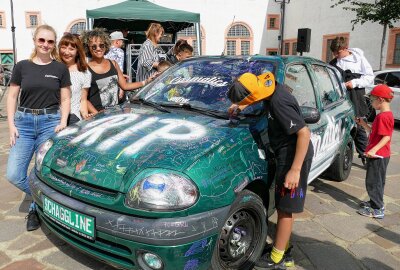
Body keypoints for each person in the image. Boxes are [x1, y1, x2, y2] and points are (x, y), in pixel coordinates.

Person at [228, 72, 313, 270]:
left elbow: (304, 133)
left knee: (285, 208)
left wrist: (295, 170)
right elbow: (257, 95)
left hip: (294, 156)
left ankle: (279, 258)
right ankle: (283, 247)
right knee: (283, 204)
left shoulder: (279, 103)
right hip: (285, 153)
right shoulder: (270, 87)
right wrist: (241, 105)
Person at [6, 24, 71, 231]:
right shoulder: (22, 66)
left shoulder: (60, 68)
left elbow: (66, 97)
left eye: (50, 41)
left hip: (49, 122)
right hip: (23, 123)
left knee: (43, 171)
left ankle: (35, 208)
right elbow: (12, 96)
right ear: (35, 40)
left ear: (54, 44)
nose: (45, 44)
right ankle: (47, 201)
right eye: (42, 40)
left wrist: (63, 122)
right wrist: (10, 125)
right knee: (14, 174)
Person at [81, 28, 151, 114]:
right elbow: (84, 99)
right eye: (94, 46)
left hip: (115, 114)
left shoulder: (113, 64)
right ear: (88, 48)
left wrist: (146, 82)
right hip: (97, 117)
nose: (98, 49)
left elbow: (125, 86)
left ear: (106, 45)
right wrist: (97, 115)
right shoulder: (86, 69)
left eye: (101, 45)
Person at [329, 37, 374, 166]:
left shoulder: (358, 60)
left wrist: (354, 82)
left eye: (338, 53)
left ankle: (366, 156)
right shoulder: (334, 63)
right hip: (340, 99)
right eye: (334, 53)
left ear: (345, 48)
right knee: (340, 127)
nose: (336, 56)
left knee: (359, 128)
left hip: (355, 97)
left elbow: (370, 78)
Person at [355, 84, 394, 219]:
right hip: (380, 155)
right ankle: (374, 202)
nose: (371, 102)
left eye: (372, 99)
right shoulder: (383, 115)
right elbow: (375, 132)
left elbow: (386, 137)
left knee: (373, 182)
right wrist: (363, 124)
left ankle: (377, 209)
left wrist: (373, 149)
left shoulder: (384, 117)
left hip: (378, 155)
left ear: (381, 100)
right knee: (377, 181)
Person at [59, 33, 91, 124]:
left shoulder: (84, 73)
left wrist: (85, 115)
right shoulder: (54, 68)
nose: (66, 52)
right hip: (53, 117)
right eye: (64, 47)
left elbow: (83, 99)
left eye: (71, 49)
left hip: (73, 117)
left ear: (77, 51)